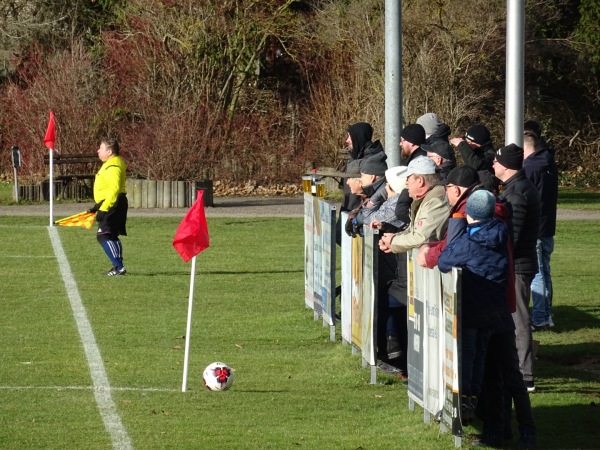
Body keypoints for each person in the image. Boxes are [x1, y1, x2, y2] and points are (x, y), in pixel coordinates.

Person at [437, 190, 511, 426]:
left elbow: (444, 261)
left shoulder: (470, 242)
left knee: (467, 354)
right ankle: (473, 397)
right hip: (493, 308)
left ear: (469, 213)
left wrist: (457, 228)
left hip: (471, 307)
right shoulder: (501, 235)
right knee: (479, 354)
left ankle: (464, 399)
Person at [493, 143, 540, 392]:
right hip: (516, 264)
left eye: (496, 161)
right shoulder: (515, 188)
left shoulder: (518, 193)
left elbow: (514, 236)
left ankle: (526, 375)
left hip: (518, 266)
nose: (493, 164)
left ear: (507, 166)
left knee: (519, 318)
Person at [523, 125, 559, 331]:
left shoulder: (530, 168)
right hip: (547, 226)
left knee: (537, 273)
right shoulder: (549, 163)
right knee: (545, 271)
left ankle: (539, 317)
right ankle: (546, 314)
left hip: (535, 227)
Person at [379, 156, 449, 255]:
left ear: (420, 181)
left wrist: (393, 241)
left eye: (408, 178)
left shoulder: (436, 201)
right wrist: (393, 241)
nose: (406, 183)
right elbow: (413, 231)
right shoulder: (427, 199)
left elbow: (421, 237)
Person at [87, 138, 129, 276]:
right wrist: (97, 206)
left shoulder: (113, 166)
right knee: (110, 235)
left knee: (103, 235)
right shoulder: (112, 163)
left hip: (113, 203)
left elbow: (114, 189)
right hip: (112, 202)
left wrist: (104, 209)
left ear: (109, 151)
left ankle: (119, 267)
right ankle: (117, 266)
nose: (98, 150)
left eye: (101, 148)